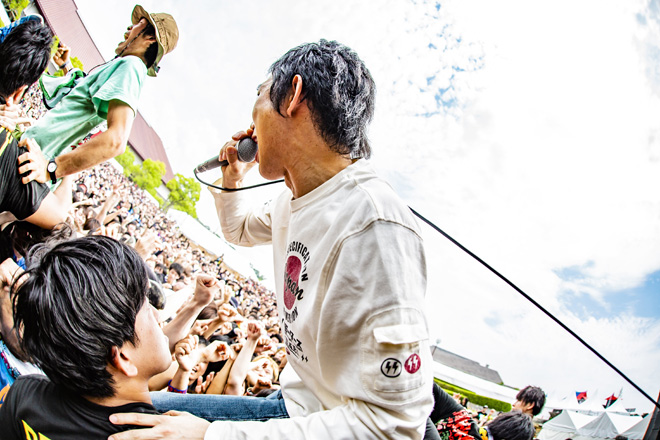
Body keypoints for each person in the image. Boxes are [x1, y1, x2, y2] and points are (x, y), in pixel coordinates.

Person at [110, 39, 433, 439]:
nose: (251, 121)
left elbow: (392, 426)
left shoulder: (374, 225)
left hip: (325, 422)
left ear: (293, 95)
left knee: (126, 422)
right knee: (120, 412)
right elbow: (239, 230)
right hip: (294, 405)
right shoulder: (292, 199)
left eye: (260, 94)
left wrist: (210, 436)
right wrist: (232, 179)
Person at [0, 236, 217, 439]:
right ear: (122, 358)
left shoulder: (23, 395)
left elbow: (143, 346)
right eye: (145, 306)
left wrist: (196, 304)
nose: (157, 314)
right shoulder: (165, 434)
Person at [16, 5, 179, 186]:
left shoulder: (132, 65)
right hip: (32, 160)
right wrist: (66, 66)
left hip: (31, 164)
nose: (129, 27)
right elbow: (84, 101)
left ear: (150, 38)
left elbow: (116, 140)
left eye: (139, 24)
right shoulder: (124, 67)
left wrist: (50, 169)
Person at [0, 20, 73, 229]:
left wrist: (67, 68)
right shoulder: (14, 159)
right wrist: (66, 170)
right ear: (20, 92)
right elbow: (60, 217)